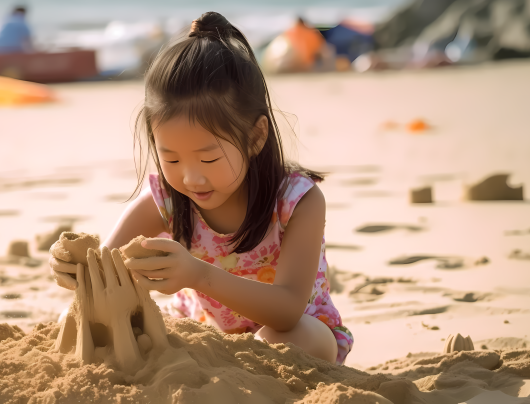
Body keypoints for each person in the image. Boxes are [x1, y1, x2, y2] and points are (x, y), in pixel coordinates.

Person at [49, 11, 353, 365]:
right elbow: (104, 268)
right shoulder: (165, 201)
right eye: (172, 160)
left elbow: (286, 310)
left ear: (255, 136)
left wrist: (198, 273)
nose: (191, 178)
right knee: (73, 320)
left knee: (304, 338)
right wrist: (78, 272)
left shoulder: (297, 202)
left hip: (289, 332)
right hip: (205, 339)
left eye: (208, 159)